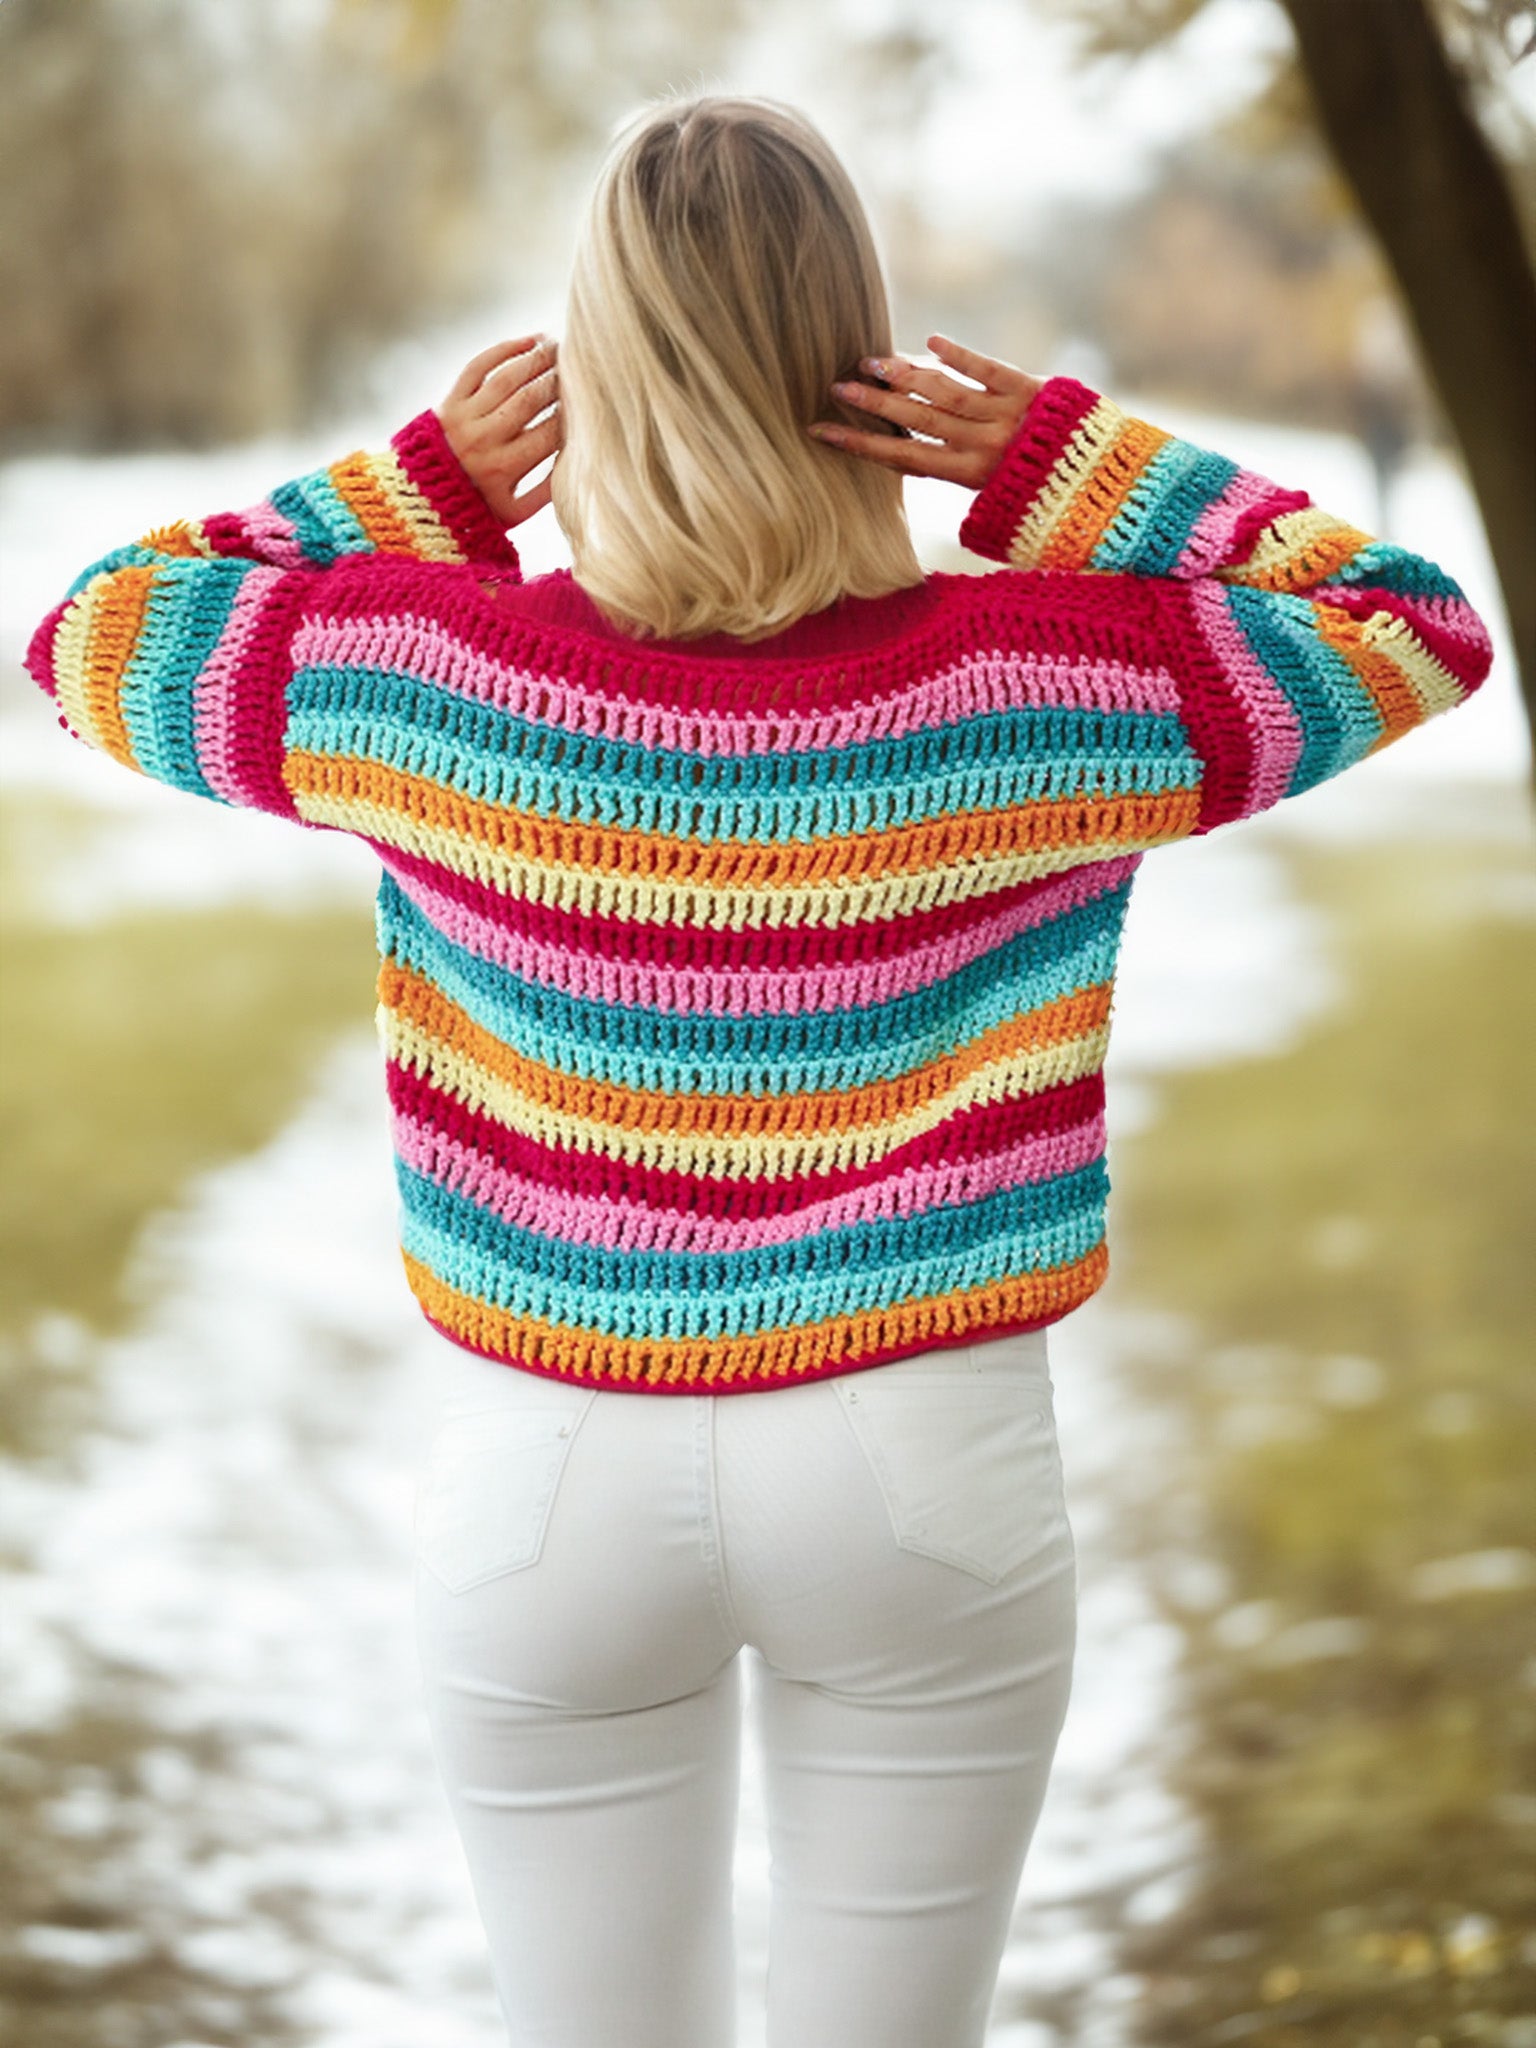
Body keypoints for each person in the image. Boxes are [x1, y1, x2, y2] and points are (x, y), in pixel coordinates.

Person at [24, 89, 1492, 2048]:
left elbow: (94, 630)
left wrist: (420, 490)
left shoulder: (428, 674)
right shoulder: (1047, 682)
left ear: (598, 356)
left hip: (548, 1467)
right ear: (856, 357)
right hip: (921, 1458)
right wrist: (1063, 462)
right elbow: (1410, 624)